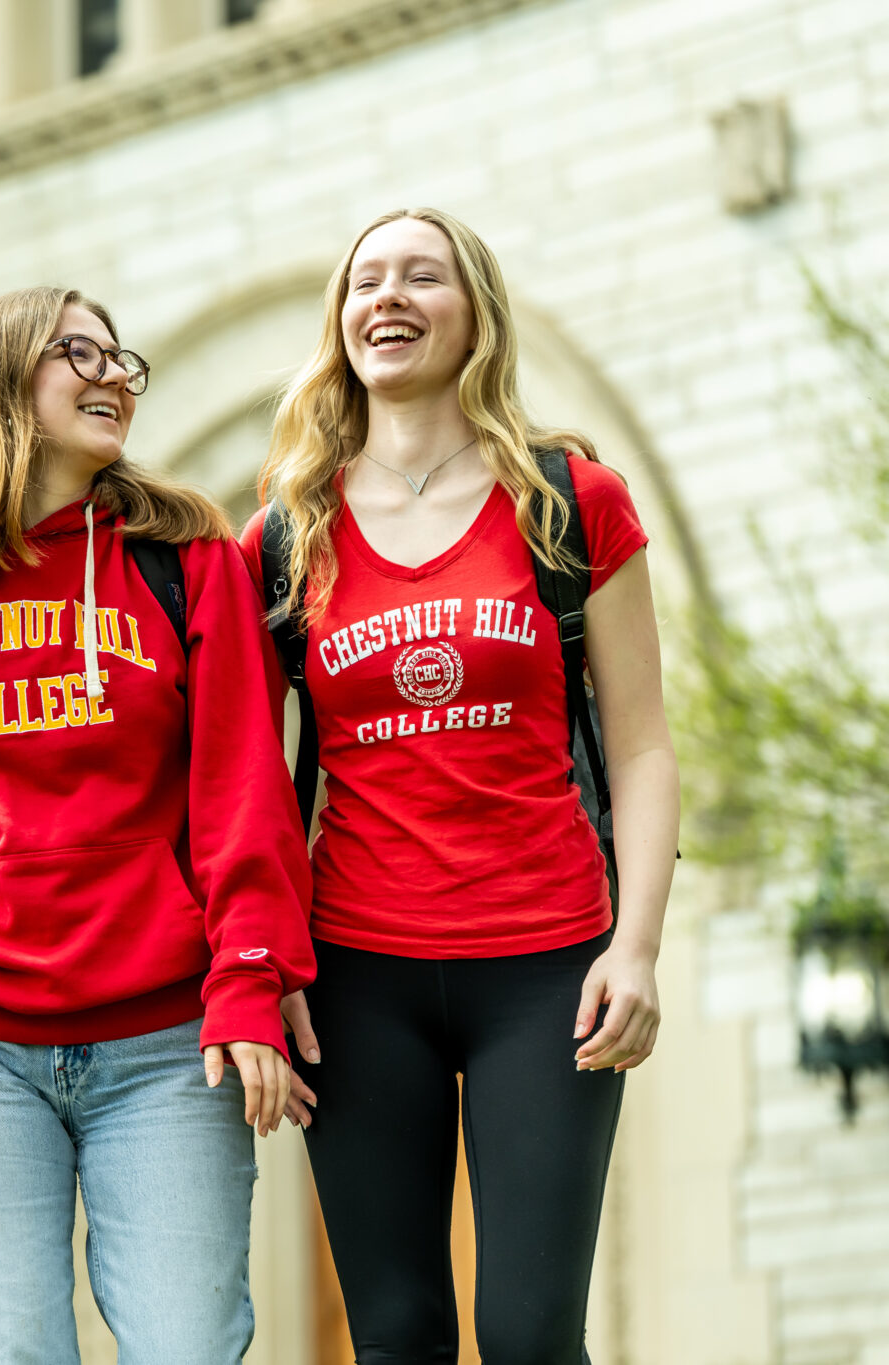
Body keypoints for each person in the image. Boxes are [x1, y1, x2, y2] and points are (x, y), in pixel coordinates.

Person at [0, 286, 315, 1365]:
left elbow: (242, 792)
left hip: (170, 1049)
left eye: (116, 355)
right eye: (73, 353)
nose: (111, 374)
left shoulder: (186, 564)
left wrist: (248, 980)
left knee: (188, 1348)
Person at [241, 207, 679, 1362]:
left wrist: (632, 948)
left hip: (547, 966)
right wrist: (266, 971)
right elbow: (243, 786)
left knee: (529, 1334)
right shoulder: (285, 534)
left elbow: (639, 747)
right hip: (354, 974)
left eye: (419, 277)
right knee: (392, 1336)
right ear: (338, 327)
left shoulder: (568, 502)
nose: (386, 297)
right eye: (363, 281)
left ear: (473, 312)